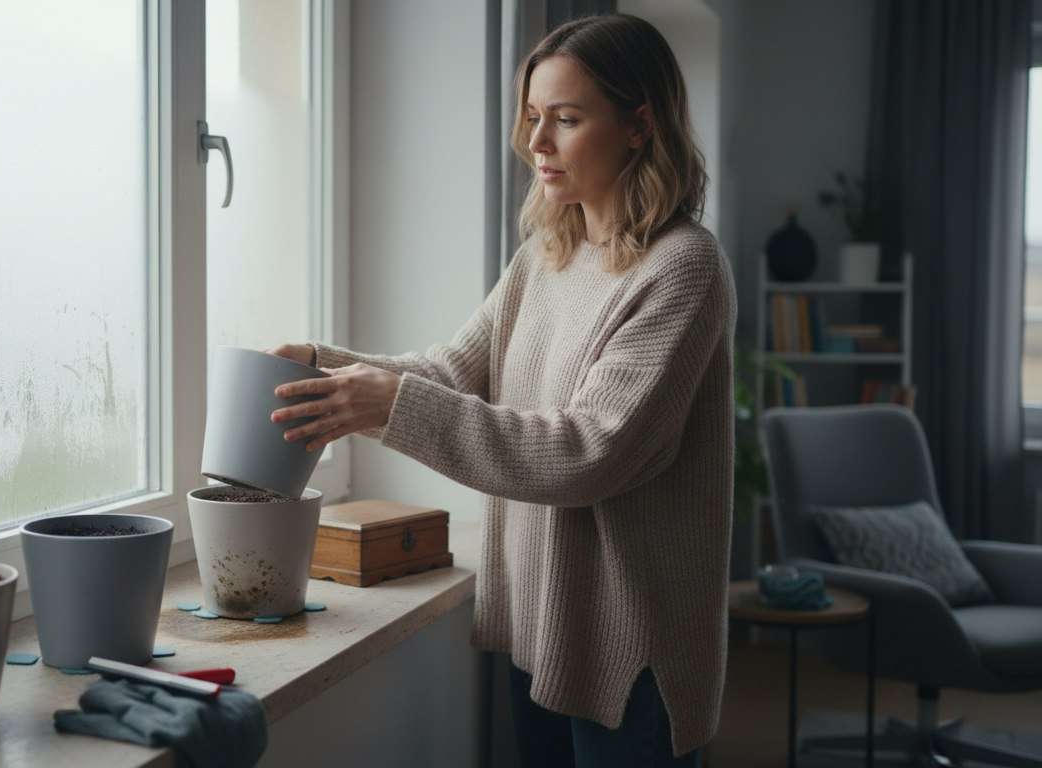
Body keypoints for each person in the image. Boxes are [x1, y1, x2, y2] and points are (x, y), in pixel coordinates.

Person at [268, 13, 735, 767]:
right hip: (542, 622)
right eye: (532, 118)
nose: (535, 143)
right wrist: (327, 366)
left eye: (566, 119)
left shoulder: (683, 268)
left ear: (639, 126)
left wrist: (389, 403)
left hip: (633, 647)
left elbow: (590, 451)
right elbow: (453, 372)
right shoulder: (546, 257)